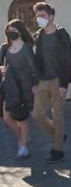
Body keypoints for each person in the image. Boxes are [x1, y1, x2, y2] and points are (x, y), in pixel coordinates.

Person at [32, 1, 71, 163]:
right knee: (37, 114)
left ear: (51, 16)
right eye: (37, 16)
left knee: (57, 117)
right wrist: (35, 81)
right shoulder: (39, 35)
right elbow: (37, 60)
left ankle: (58, 150)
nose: (39, 19)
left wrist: (64, 84)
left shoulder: (62, 34)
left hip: (57, 81)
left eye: (42, 16)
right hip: (42, 80)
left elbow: (67, 59)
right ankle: (59, 136)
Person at [0, 20, 38, 159]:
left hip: (24, 87)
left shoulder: (26, 48)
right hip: (9, 87)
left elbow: (34, 68)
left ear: (20, 31)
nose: (11, 33)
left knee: (22, 119)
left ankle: (23, 148)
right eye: (9, 30)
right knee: (6, 117)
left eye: (14, 30)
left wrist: (35, 85)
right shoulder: (4, 48)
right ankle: (23, 138)